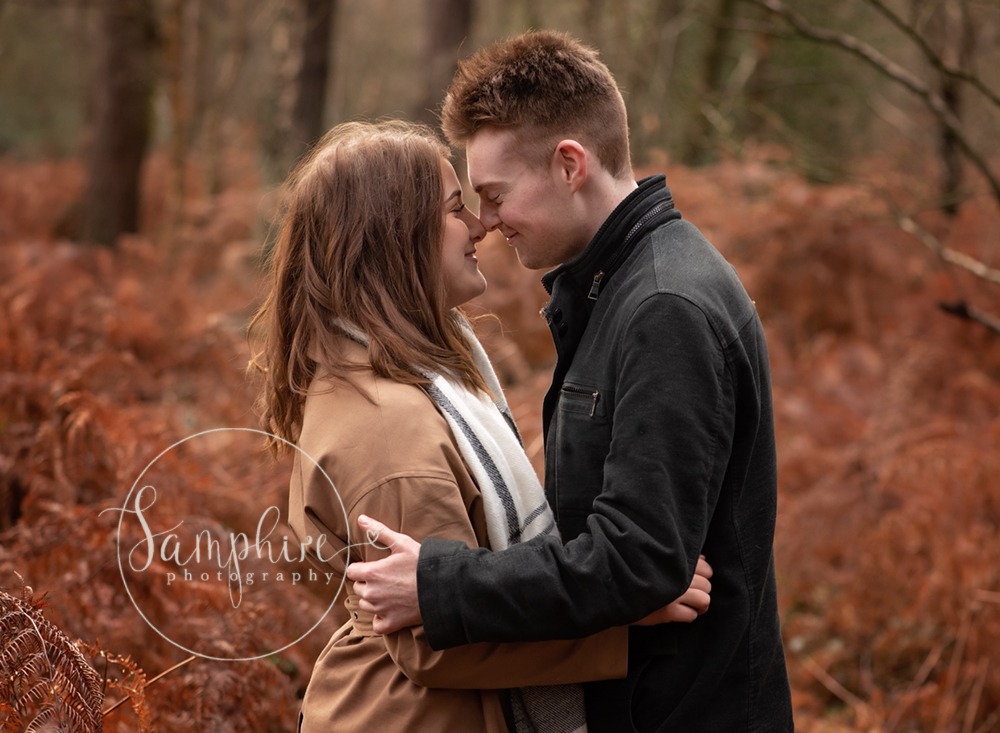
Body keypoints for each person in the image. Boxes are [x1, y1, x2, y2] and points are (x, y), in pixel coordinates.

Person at [347, 31, 794, 732]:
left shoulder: (662, 306)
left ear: (568, 164)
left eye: (494, 195)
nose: (485, 223)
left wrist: (439, 586)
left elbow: (639, 557)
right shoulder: (616, 290)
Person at [247, 119, 713, 732]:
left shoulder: (401, 378)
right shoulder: (391, 429)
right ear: (395, 238)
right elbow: (434, 638)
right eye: (454, 209)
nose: (478, 225)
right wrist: (624, 612)